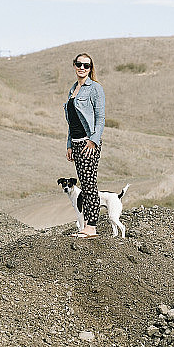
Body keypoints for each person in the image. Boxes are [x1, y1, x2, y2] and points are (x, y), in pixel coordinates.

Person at [64, 52, 105, 237]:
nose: (82, 68)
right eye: (79, 64)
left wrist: (93, 141)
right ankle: (87, 226)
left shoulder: (95, 89)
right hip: (77, 143)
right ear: (74, 65)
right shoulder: (72, 90)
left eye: (86, 65)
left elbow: (101, 118)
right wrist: (69, 145)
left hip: (89, 143)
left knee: (89, 185)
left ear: (90, 68)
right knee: (84, 183)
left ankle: (91, 227)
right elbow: (71, 122)